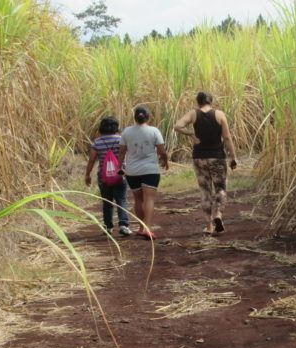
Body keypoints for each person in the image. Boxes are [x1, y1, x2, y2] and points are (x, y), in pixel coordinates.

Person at [174, 91, 237, 235]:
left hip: (199, 158)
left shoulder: (193, 114)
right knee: (220, 188)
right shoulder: (219, 115)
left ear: (198, 102)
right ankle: (218, 216)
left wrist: (191, 134)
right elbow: (227, 138)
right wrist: (233, 157)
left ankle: (209, 226)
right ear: (211, 101)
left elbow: (177, 126)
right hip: (217, 157)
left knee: (205, 191)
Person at [118, 105, 169, 240]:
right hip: (150, 170)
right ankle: (148, 228)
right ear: (148, 117)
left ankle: (141, 227)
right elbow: (161, 150)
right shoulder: (154, 131)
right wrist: (165, 161)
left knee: (138, 199)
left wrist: (119, 166)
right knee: (149, 199)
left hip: (132, 171)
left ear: (135, 117)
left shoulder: (127, 132)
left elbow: (122, 151)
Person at [85, 116, 132, 236]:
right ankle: (123, 225)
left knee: (107, 202)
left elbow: (91, 160)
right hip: (120, 175)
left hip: (103, 177)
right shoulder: (121, 139)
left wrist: (87, 175)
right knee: (121, 200)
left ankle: (108, 227)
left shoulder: (97, 142)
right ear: (116, 127)